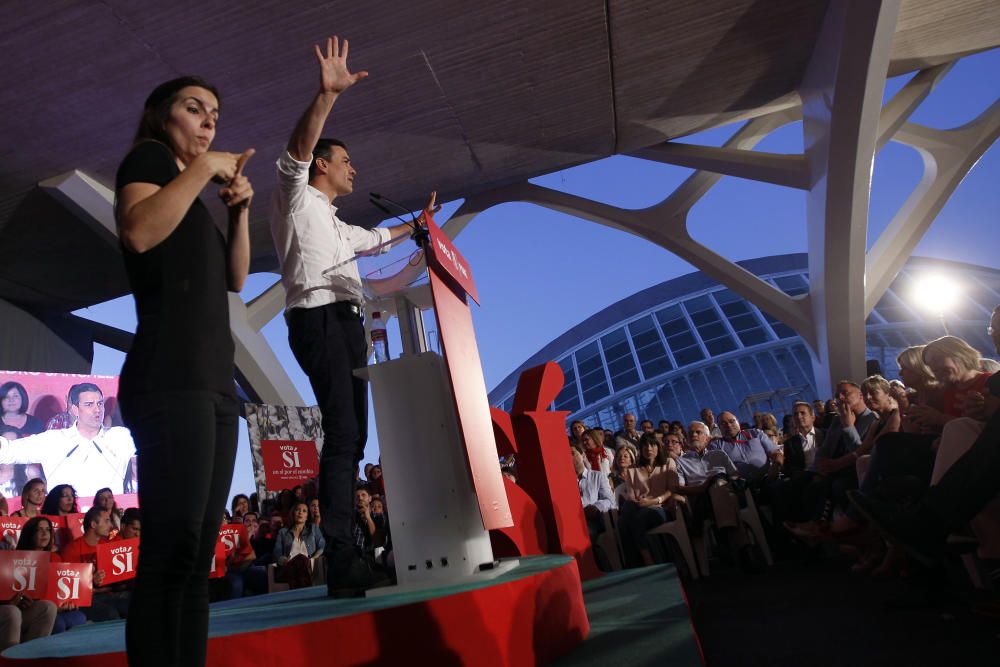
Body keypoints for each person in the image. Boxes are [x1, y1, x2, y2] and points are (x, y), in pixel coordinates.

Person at [270, 36, 427, 598]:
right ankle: (340, 559)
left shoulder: (339, 225)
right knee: (342, 435)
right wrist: (327, 95)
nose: (354, 169)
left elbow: (379, 242)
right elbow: (296, 151)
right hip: (318, 318)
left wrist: (422, 227)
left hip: (348, 321)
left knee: (353, 438)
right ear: (322, 167)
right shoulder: (294, 199)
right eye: (346, 161)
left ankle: (346, 556)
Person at [114, 74, 254, 667]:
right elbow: (138, 231)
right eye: (194, 109)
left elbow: (236, 279)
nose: (207, 121)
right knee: (172, 551)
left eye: (215, 114)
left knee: (198, 563)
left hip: (215, 384)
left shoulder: (192, 199)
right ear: (160, 114)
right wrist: (202, 170)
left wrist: (240, 212)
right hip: (168, 377)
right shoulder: (146, 160)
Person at [0, 384, 136, 496]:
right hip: (64, 522)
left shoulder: (121, 437)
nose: (97, 410)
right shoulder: (54, 440)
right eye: (89, 404)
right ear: (75, 409)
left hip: (109, 523)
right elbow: (7, 451)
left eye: (100, 404)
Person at [618, 433, 683, 567]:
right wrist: (638, 502)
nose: (648, 448)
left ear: (658, 447)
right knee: (625, 516)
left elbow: (673, 489)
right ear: (640, 449)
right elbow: (631, 495)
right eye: (645, 445)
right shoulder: (632, 469)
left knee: (625, 521)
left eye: (652, 444)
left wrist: (654, 501)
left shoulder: (668, 463)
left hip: (661, 508)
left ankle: (642, 562)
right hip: (639, 507)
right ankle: (646, 560)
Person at [14, 516, 86, 634]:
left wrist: (69, 602)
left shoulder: (55, 558)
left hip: (59, 609)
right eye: (39, 530)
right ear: (30, 534)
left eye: (48, 530)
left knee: (79, 618)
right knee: (58, 623)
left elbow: (63, 588)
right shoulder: (17, 560)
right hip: (33, 610)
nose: (44, 533)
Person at [272, 501, 325, 589]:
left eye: (304, 511)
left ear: (307, 517)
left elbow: (322, 545)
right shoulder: (283, 532)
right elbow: (277, 553)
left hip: (309, 566)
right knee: (299, 559)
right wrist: (284, 560)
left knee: (302, 559)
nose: (300, 512)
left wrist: (313, 558)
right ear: (293, 513)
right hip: (288, 567)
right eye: (297, 510)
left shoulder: (313, 528)